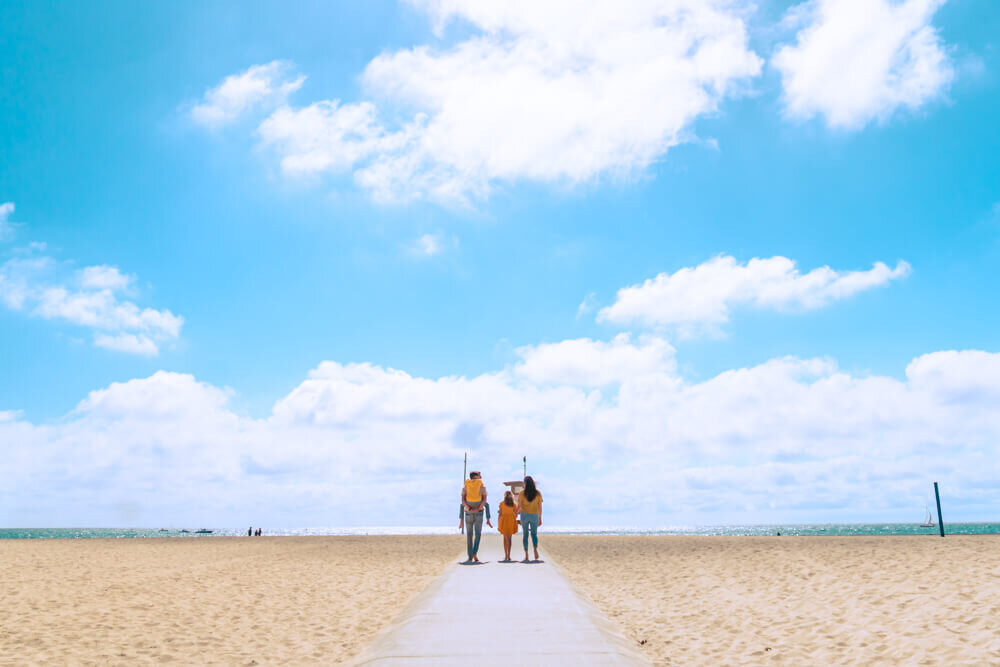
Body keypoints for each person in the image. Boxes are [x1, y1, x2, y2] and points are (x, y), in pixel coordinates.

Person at [461, 471, 492, 562]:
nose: (481, 476)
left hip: (468, 512)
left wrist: (470, 509)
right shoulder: (482, 486)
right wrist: (478, 509)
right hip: (479, 512)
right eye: (479, 475)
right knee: (478, 534)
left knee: (469, 535)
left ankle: (470, 556)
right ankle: (475, 553)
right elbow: (484, 500)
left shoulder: (466, 486)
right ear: (475, 476)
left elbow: (463, 501)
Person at [517, 476, 542, 562]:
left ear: (525, 483)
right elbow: (540, 507)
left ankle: (527, 555)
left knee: (525, 535)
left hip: (524, 515)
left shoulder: (522, 493)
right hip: (535, 515)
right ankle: (535, 549)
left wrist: (515, 513)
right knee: (534, 534)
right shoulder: (538, 493)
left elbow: (519, 506)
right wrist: (540, 518)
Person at [497, 490, 519, 561]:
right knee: (509, 539)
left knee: (505, 538)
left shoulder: (501, 503)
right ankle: (508, 555)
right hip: (511, 521)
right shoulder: (514, 504)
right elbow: (516, 515)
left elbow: (500, 514)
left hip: (504, 520)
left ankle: (506, 555)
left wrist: (499, 522)